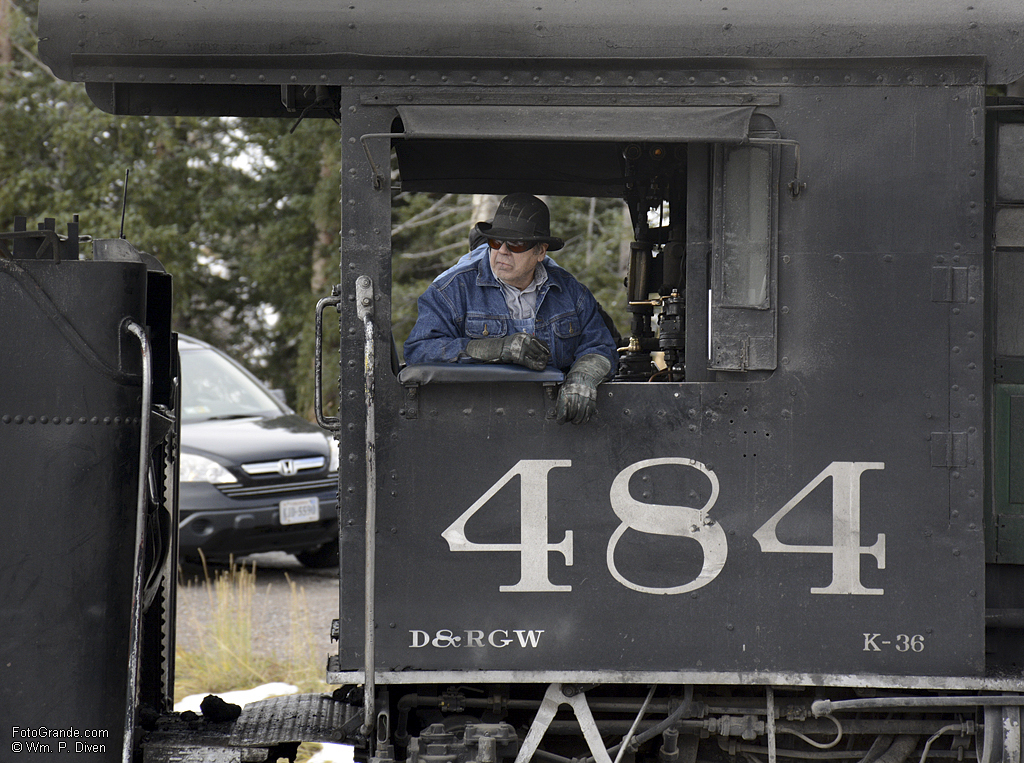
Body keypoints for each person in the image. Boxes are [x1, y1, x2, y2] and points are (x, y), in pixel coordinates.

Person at [404, 194, 617, 424]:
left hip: (555, 422)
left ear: (540, 251)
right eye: (495, 242)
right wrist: (496, 349)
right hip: (476, 420)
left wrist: (583, 376)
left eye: (516, 244)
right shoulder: (451, 291)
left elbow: (601, 345)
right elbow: (419, 349)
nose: (502, 251)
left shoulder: (571, 292)